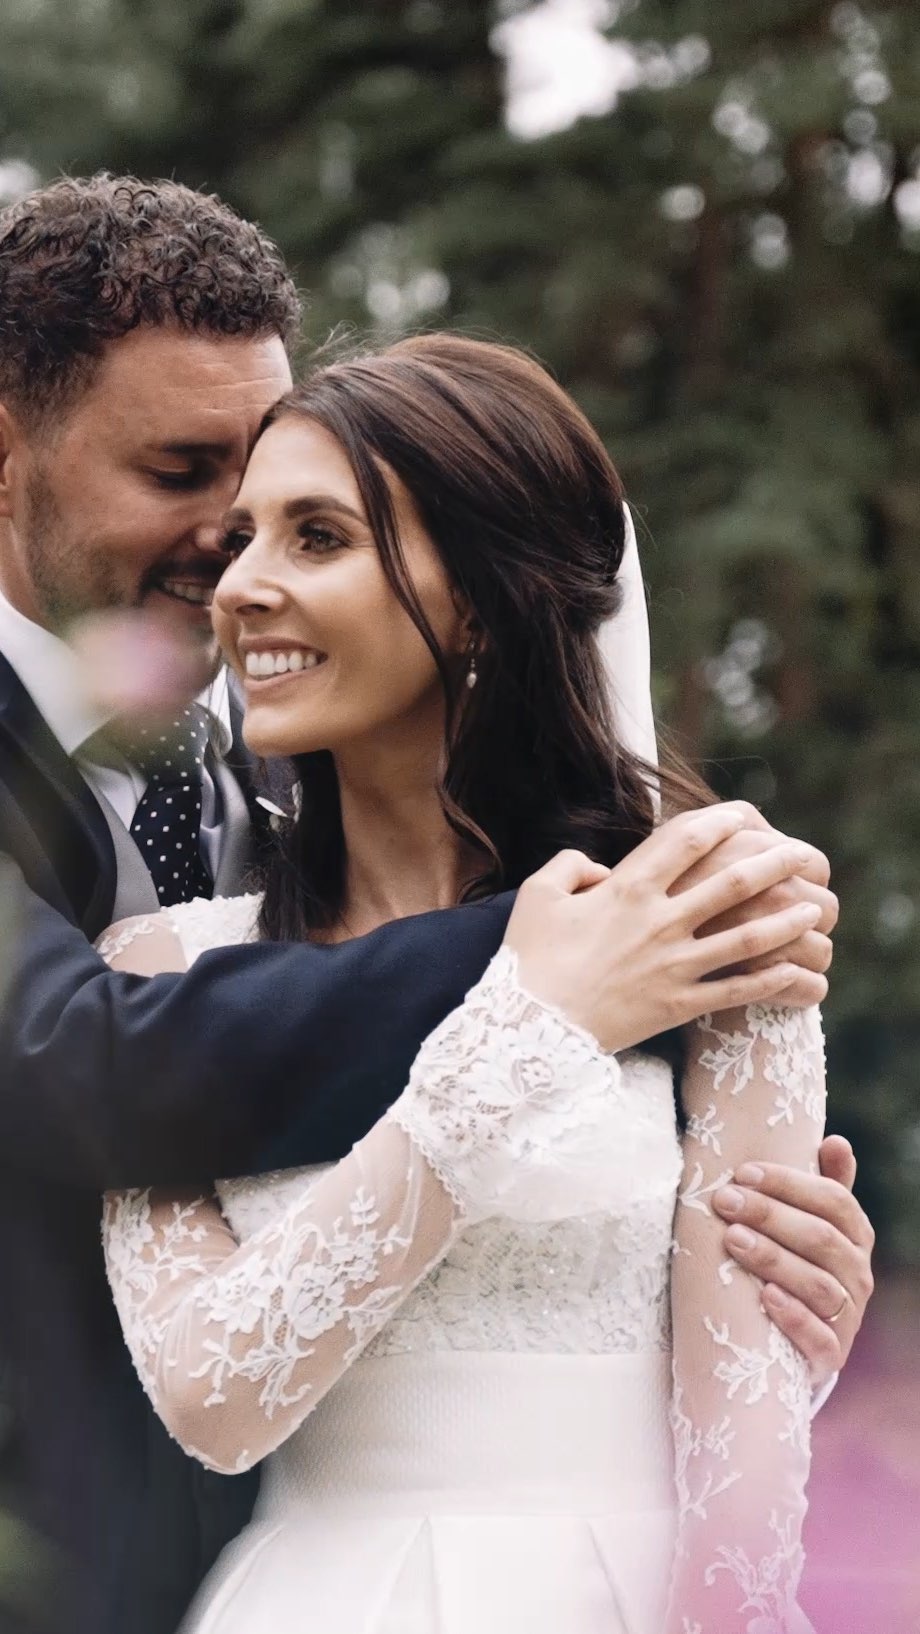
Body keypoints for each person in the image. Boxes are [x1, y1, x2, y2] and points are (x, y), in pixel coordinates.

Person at [0, 176, 871, 1634]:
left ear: (477, 594)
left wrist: (773, 1336)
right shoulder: (659, 924)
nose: (235, 562)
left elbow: (727, 1446)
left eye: (299, 523)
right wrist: (554, 973)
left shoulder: (260, 777)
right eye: (184, 471)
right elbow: (93, 1068)